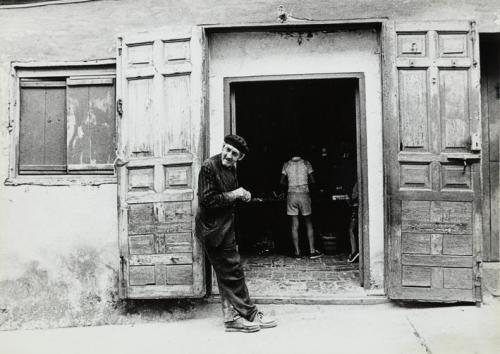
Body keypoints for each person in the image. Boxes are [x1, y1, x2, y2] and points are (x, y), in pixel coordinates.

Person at [195, 134, 277, 333]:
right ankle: (250, 313)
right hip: (213, 230)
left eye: (234, 153)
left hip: (225, 228)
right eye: (227, 149)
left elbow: (229, 197)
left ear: (240, 158)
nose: (229, 155)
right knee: (233, 273)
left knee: (227, 274)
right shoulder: (209, 166)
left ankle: (231, 318)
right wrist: (236, 193)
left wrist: (243, 195)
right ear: (222, 147)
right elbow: (208, 200)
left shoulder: (230, 169)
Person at [280, 147, 323, 260]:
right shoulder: (306, 163)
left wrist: (290, 185)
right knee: (308, 222)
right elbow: (313, 180)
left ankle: (297, 252)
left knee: (294, 224)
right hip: (304, 193)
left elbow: (281, 181)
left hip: (291, 194)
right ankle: (312, 251)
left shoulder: (286, 164)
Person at [347, 181, 359, 263]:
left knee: (351, 230)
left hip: (356, 207)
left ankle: (354, 252)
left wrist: (349, 200)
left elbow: (354, 196)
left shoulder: (357, 184)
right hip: (357, 207)